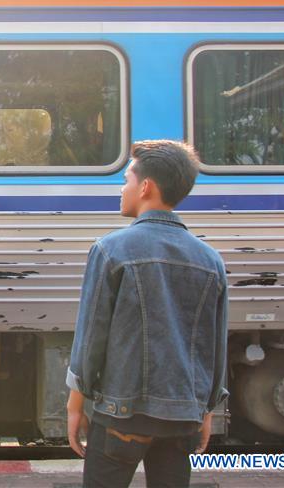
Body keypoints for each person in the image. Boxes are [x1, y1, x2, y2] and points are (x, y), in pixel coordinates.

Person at [66, 140, 228, 488]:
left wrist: (75, 405)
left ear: (145, 187)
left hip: (121, 417)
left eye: (125, 180)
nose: (121, 188)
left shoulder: (111, 250)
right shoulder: (211, 260)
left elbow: (91, 338)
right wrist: (207, 410)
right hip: (182, 417)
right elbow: (214, 346)